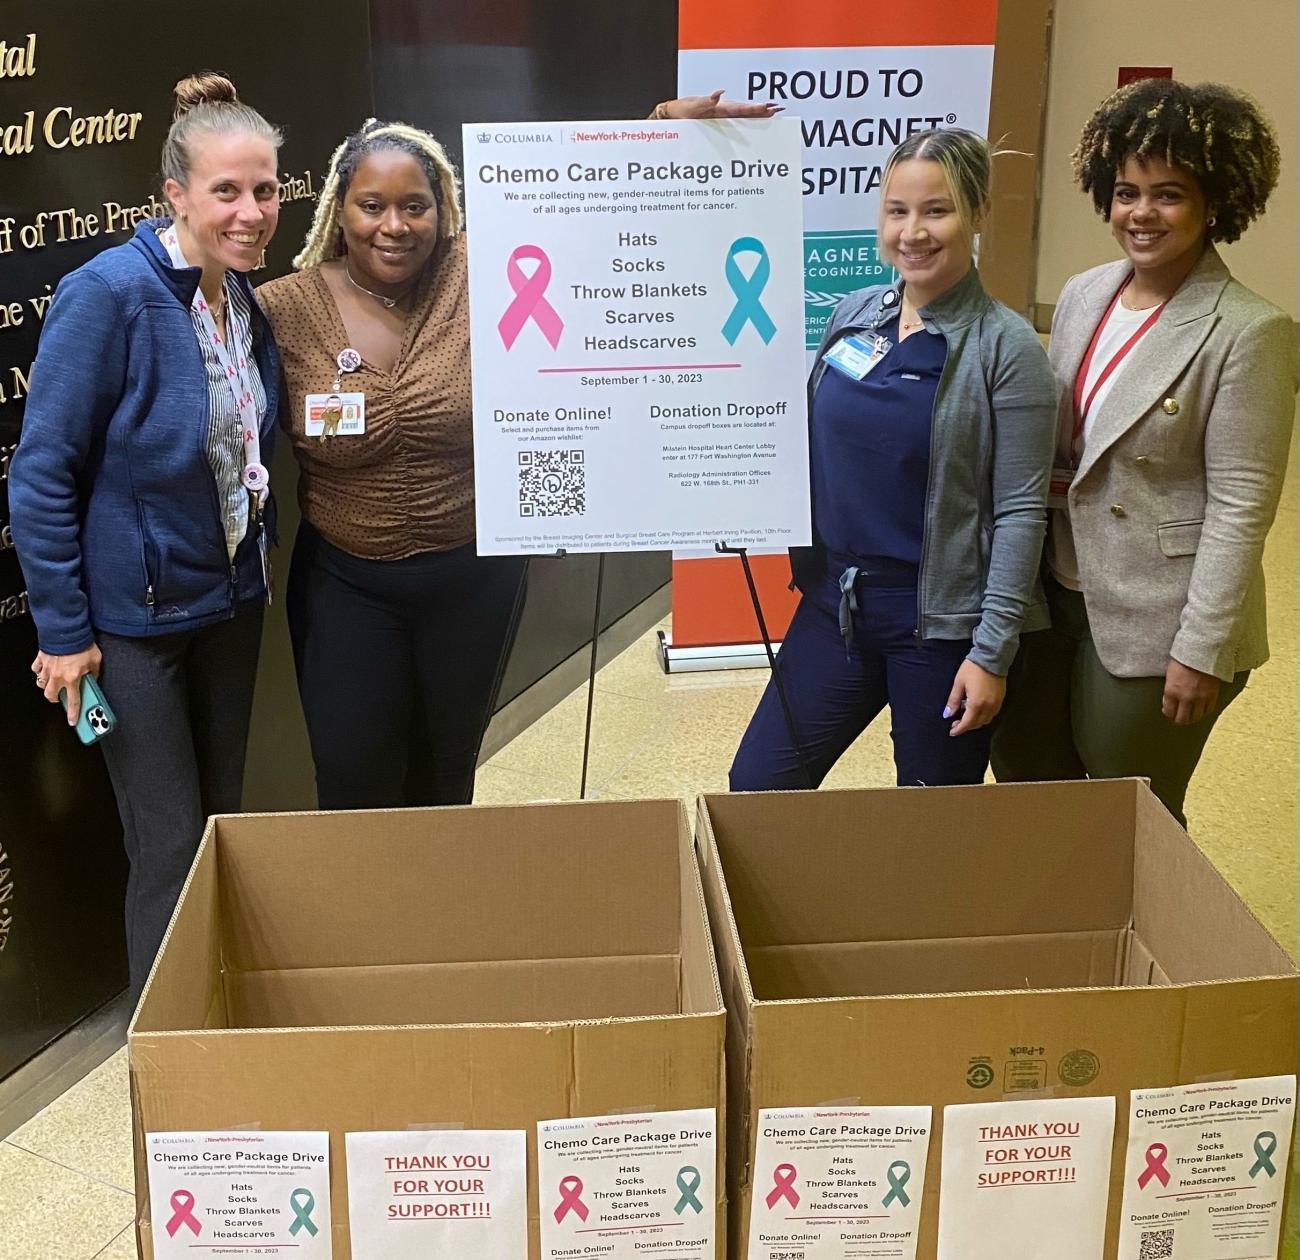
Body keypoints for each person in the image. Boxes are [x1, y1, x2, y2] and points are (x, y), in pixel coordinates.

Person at [259, 94, 774, 810]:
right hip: (347, 584)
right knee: (352, 778)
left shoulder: (486, 272)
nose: (394, 226)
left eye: (416, 206)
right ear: (338, 213)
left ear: (444, 212)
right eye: (371, 205)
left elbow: (589, 215)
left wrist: (658, 137)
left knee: (447, 771)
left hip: (474, 578)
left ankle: (451, 911)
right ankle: (371, 915)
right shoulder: (282, 309)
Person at [9, 72, 283, 997]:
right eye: (226, 191)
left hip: (229, 607)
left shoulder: (243, 299)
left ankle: (222, 1013)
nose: (250, 211)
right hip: (133, 633)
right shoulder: (110, 295)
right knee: (167, 845)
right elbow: (41, 471)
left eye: (266, 189)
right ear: (174, 193)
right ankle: (169, 1062)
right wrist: (64, 634)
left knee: (222, 827)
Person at [992, 80, 1297, 825]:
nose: (1141, 214)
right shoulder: (1084, 292)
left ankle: (1156, 935)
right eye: (1127, 192)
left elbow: (1240, 508)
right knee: (1030, 774)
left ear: (1214, 202)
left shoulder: (1249, 331)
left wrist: (1202, 651)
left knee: (1132, 804)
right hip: (1057, 583)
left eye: (1168, 195)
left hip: (1161, 610)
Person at [729, 128, 1058, 791]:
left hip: (938, 626)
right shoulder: (854, 316)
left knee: (930, 823)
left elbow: (1022, 511)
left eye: (936, 210)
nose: (913, 231)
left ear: (976, 215)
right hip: (836, 606)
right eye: (897, 210)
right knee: (759, 786)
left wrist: (991, 654)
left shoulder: (1006, 348)